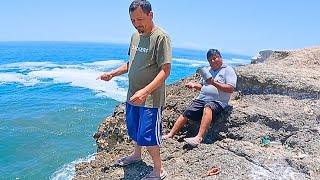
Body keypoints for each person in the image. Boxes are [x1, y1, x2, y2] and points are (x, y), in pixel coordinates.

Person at [97, 0, 171, 179]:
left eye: (140, 19)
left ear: (150, 15)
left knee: (149, 136)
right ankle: (136, 155)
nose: (137, 24)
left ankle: (158, 170)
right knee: (135, 129)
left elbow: (165, 70)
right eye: (132, 21)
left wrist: (145, 91)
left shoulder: (161, 37)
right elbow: (133, 63)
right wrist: (113, 74)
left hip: (151, 98)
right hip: (133, 95)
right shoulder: (135, 36)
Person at [163, 49, 237, 147]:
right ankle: (171, 134)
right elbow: (203, 85)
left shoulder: (228, 70)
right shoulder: (208, 70)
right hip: (202, 98)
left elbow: (230, 89)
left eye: (215, 58)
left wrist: (213, 83)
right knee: (187, 112)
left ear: (220, 57)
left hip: (218, 101)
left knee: (208, 107)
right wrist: (193, 85)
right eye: (210, 60)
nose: (213, 61)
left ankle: (198, 137)